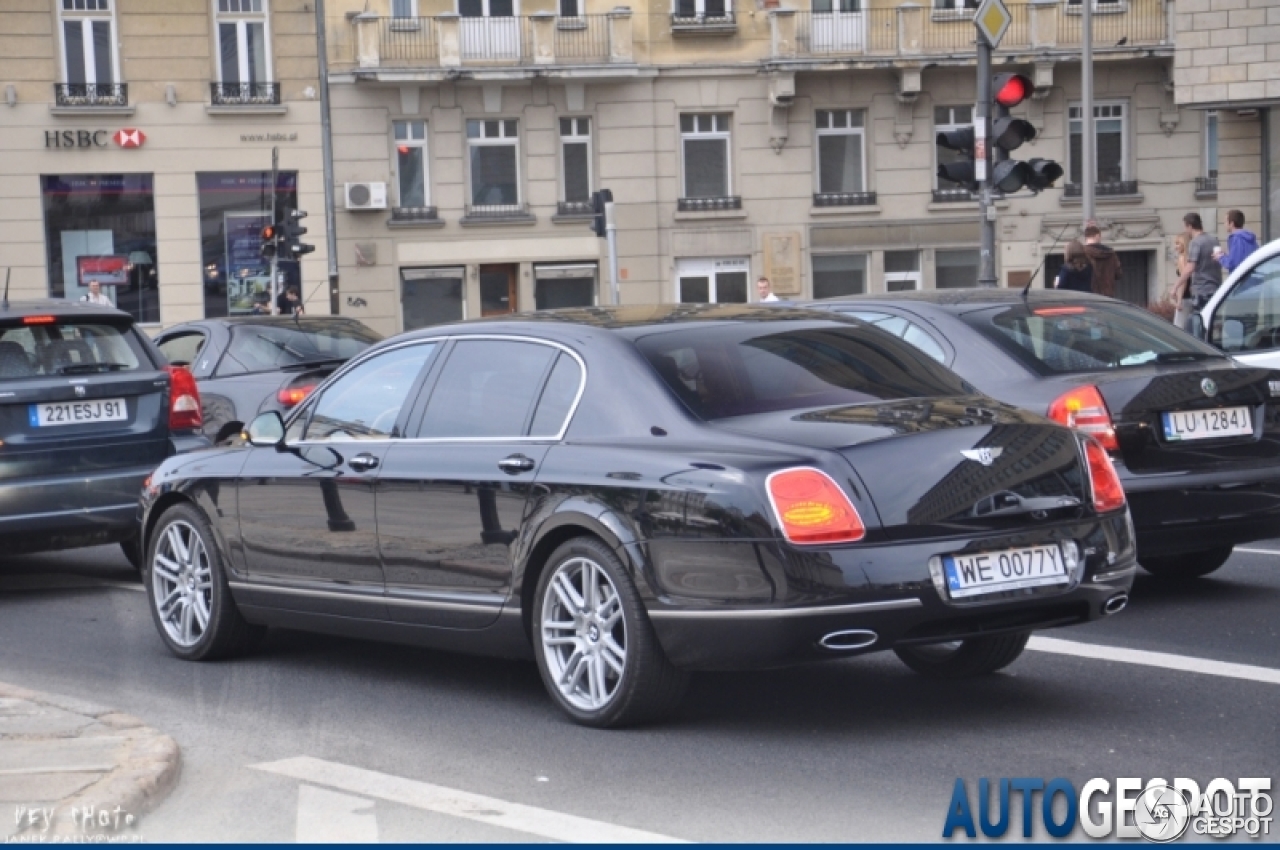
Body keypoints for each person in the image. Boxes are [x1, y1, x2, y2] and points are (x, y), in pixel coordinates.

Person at [1175, 212, 1222, 314]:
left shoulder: (1195, 242)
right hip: (1216, 288)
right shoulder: (1214, 240)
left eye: (1186, 227)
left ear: (1190, 226)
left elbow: (1190, 267)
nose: (1186, 231)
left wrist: (1175, 287)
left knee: (1199, 323)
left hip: (1201, 290)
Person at [1082, 224, 1122, 299]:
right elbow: (1118, 274)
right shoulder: (1111, 253)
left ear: (1086, 237)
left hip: (1089, 295)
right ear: (1098, 236)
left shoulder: (1082, 253)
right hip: (1107, 296)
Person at [1215, 209, 1260, 274]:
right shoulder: (1250, 239)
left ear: (1232, 224)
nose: (1224, 224)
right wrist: (1225, 255)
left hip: (1243, 281)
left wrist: (1220, 257)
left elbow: (1232, 264)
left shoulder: (1236, 238)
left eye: (1225, 221)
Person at [1168, 232, 1194, 330]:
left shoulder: (1182, 258)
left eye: (1178, 243)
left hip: (1185, 298)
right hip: (1192, 297)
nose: (1176, 247)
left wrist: (1179, 301)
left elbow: (1184, 279)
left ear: (1184, 244)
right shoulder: (1191, 259)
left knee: (1179, 328)